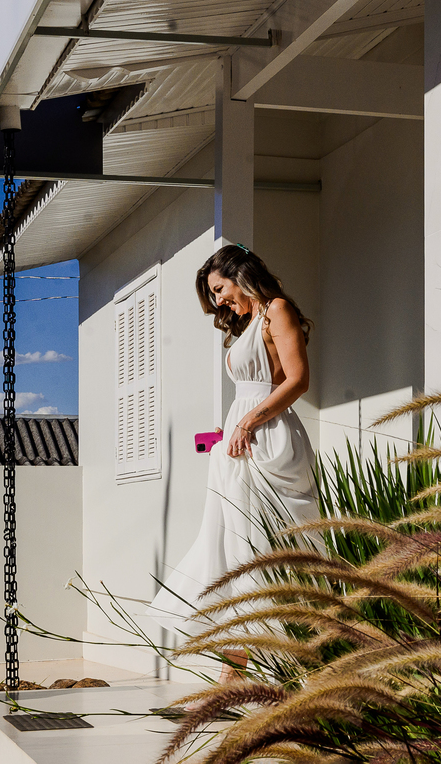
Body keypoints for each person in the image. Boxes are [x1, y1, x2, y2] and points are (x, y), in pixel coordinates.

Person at [148, 244, 320, 681]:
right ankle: (236, 666)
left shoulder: (276, 310)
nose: (219, 300)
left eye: (220, 289)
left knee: (265, 547)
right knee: (231, 548)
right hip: (240, 441)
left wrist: (250, 421)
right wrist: (235, 428)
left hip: (268, 438)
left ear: (241, 274)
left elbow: (298, 380)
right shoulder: (245, 326)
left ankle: (281, 659)